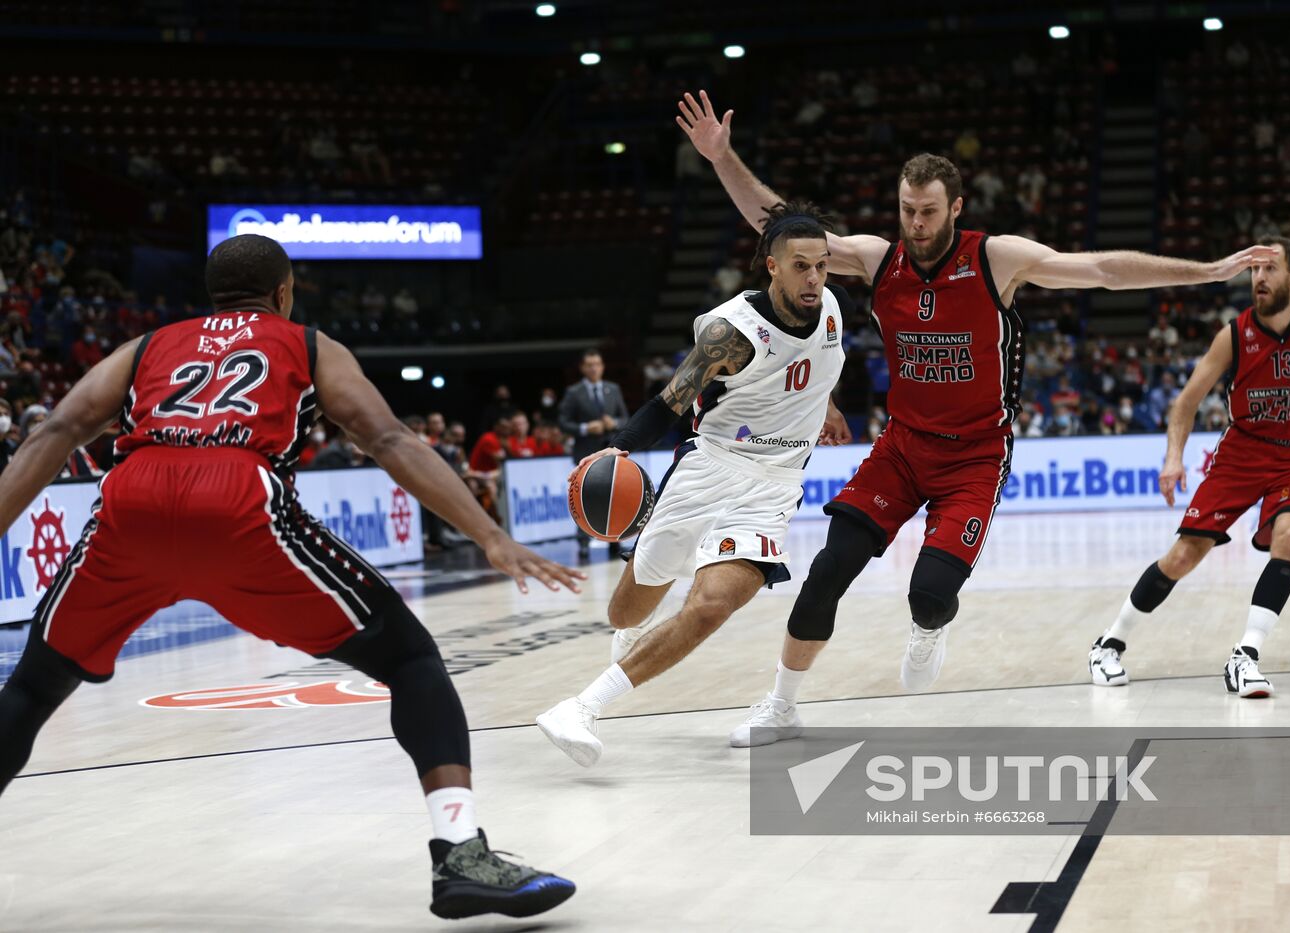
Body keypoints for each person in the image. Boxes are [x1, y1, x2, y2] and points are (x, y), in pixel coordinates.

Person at [0, 235, 581, 920]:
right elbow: (387, 437)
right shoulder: (305, 342)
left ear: (212, 293)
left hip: (133, 498)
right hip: (238, 497)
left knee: (35, 683)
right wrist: (487, 533)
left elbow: (58, 427)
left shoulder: (148, 345)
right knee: (410, 658)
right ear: (284, 291)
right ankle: (460, 853)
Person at [675, 89, 1279, 747]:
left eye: (929, 212)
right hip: (902, 448)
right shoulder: (879, 259)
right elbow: (780, 224)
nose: (917, 223)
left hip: (975, 455)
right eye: (908, 210)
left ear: (955, 208)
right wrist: (722, 156)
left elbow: (1103, 271)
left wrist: (1206, 271)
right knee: (826, 572)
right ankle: (782, 707)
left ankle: (930, 626)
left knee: (929, 594)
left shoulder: (996, 258)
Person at [536, 201, 852, 767]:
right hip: (708, 468)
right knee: (626, 613)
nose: (814, 278)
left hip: (774, 485)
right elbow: (668, 404)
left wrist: (824, 404)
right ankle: (630, 643)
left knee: (712, 605)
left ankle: (582, 707)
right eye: (801, 266)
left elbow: (818, 361)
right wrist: (622, 447)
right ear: (772, 268)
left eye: (822, 265)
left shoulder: (832, 307)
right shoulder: (731, 335)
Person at [1088, 237, 1290, 697]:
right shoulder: (1234, 334)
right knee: (1184, 556)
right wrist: (1173, 457)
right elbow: (1185, 402)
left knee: (1289, 536)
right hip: (1242, 453)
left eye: (1270, 269)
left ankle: (1245, 655)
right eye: (1254, 270)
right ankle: (1109, 643)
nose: (1259, 278)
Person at [558, 349, 630, 557]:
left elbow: (625, 418)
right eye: (589, 364)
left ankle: (614, 540)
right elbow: (563, 423)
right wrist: (584, 428)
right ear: (582, 368)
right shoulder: (574, 392)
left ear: (602, 366)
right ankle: (582, 541)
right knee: (582, 496)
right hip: (585, 451)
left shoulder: (612, 389)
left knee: (614, 496)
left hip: (610, 452)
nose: (593, 368)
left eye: (597, 364)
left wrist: (614, 423)